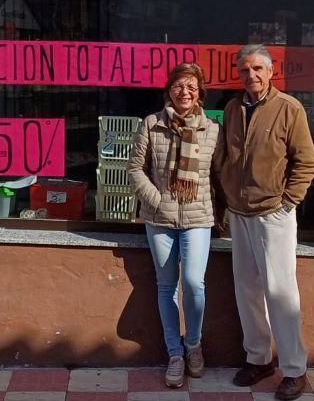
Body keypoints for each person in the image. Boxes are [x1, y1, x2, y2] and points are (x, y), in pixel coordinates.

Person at [213, 44, 314, 401]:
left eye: (258, 68)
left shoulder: (289, 109)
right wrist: (226, 195)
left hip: (274, 213)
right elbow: (224, 157)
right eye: (244, 70)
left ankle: (294, 369)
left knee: (280, 291)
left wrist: (288, 203)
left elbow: (307, 163)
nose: (251, 76)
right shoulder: (231, 108)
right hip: (240, 214)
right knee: (247, 289)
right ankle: (258, 358)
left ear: (271, 72)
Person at [127, 62, 220, 388]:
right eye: (179, 86)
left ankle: (193, 344)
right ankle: (175, 354)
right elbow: (135, 168)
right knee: (166, 287)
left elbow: (220, 173)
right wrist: (155, 199)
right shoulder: (152, 124)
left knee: (194, 283)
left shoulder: (212, 129)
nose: (185, 92)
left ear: (200, 94)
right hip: (160, 219)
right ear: (169, 91)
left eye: (192, 87)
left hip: (198, 218)